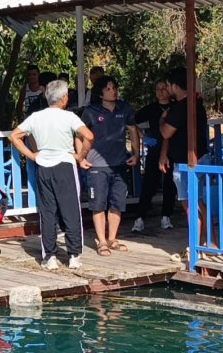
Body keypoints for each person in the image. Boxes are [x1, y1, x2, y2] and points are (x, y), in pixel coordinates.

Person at [9, 80, 95, 270]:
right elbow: (89, 136)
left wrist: (33, 155)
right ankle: (74, 255)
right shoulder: (69, 117)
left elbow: (14, 136)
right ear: (64, 98)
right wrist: (80, 156)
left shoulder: (36, 117)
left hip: (44, 166)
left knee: (47, 213)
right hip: (65, 165)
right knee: (71, 211)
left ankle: (50, 257)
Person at [80, 76, 140, 256]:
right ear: (100, 93)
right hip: (97, 165)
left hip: (120, 163)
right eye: (108, 89)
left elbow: (133, 130)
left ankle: (112, 238)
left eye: (114, 88)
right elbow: (79, 135)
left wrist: (136, 153)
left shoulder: (124, 108)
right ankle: (101, 241)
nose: (113, 91)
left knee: (118, 203)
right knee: (98, 204)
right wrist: (80, 157)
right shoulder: (90, 111)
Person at [159, 66, 211, 243]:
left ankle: (203, 243)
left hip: (189, 161)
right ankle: (202, 241)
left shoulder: (182, 107)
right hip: (192, 158)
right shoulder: (194, 103)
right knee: (195, 203)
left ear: (175, 86)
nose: (167, 89)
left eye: (168, 86)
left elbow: (166, 132)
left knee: (193, 203)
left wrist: (162, 120)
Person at [132, 81, 176, 232]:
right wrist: (143, 137)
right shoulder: (151, 108)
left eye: (164, 89)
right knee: (149, 184)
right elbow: (131, 121)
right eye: (158, 89)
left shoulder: (176, 107)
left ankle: (166, 216)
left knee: (170, 184)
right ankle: (139, 218)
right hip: (155, 149)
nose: (161, 92)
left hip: (173, 150)